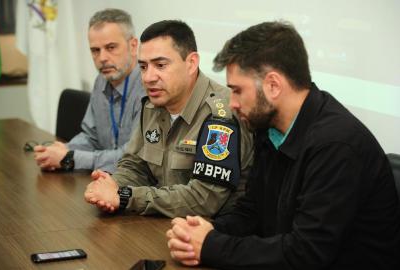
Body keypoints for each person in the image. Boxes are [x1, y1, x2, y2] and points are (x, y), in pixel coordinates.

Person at [167, 21, 400, 269]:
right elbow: (252, 212)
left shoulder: (337, 144)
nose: (232, 103)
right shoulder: (268, 127)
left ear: (273, 85)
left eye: (237, 90)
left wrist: (212, 245)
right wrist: (205, 231)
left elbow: (306, 254)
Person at [84, 20, 253, 218]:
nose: (148, 77)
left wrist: (124, 196)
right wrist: (112, 185)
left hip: (214, 233)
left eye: (160, 65)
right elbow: (135, 165)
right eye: (144, 67)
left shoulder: (221, 115)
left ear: (191, 63)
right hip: (163, 223)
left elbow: (204, 199)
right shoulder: (152, 105)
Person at [33, 9, 145, 173]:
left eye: (111, 47)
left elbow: (133, 158)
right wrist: (62, 150)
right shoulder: (102, 80)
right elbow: (91, 137)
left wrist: (70, 157)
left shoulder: (149, 87)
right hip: (103, 179)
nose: (102, 58)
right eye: (95, 50)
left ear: (133, 46)